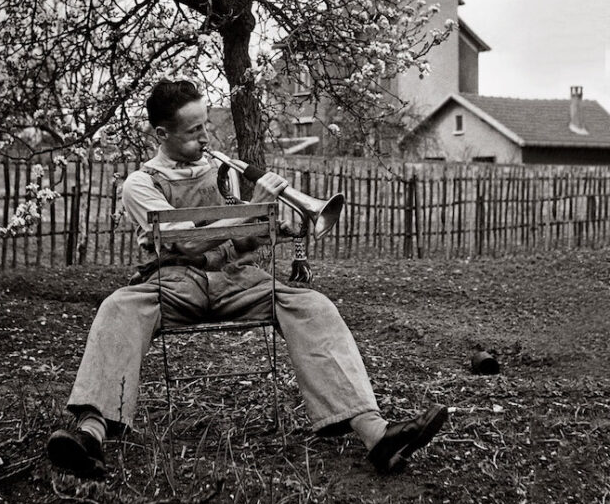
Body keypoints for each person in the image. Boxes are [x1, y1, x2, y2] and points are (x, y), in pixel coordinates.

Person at [47, 79, 448, 479]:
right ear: (161, 134)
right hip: (173, 282)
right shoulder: (141, 184)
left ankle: (376, 434)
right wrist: (252, 210)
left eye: (205, 126)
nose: (205, 137)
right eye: (193, 131)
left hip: (236, 278)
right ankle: (90, 436)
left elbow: (242, 240)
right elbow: (186, 240)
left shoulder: (224, 172)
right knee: (118, 307)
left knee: (312, 305)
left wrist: (276, 224)